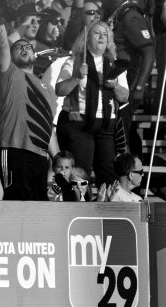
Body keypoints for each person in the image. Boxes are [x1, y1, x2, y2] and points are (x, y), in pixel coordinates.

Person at [54, 21, 128, 186]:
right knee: (81, 175)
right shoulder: (74, 61)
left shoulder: (115, 64)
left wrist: (114, 85)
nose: (101, 36)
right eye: (97, 33)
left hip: (106, 125)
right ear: (87, 39)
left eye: (105, 33)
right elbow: (60, 90)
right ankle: (79, 207)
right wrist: (77, 77)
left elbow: (124, 97)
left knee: (109, 175)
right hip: (78, 124)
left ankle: (106, 210)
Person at [0, 29, 57, 201]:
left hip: (39, 155)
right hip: (13, 149)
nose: (24, 49)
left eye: (28, 47)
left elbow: (48, 125)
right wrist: (0, 21)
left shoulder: (48, 89)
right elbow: (3, 46)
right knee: (15, 201)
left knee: (37, 205)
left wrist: (56, 157)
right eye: (19, 48)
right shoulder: (10, 74)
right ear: (12, 58)